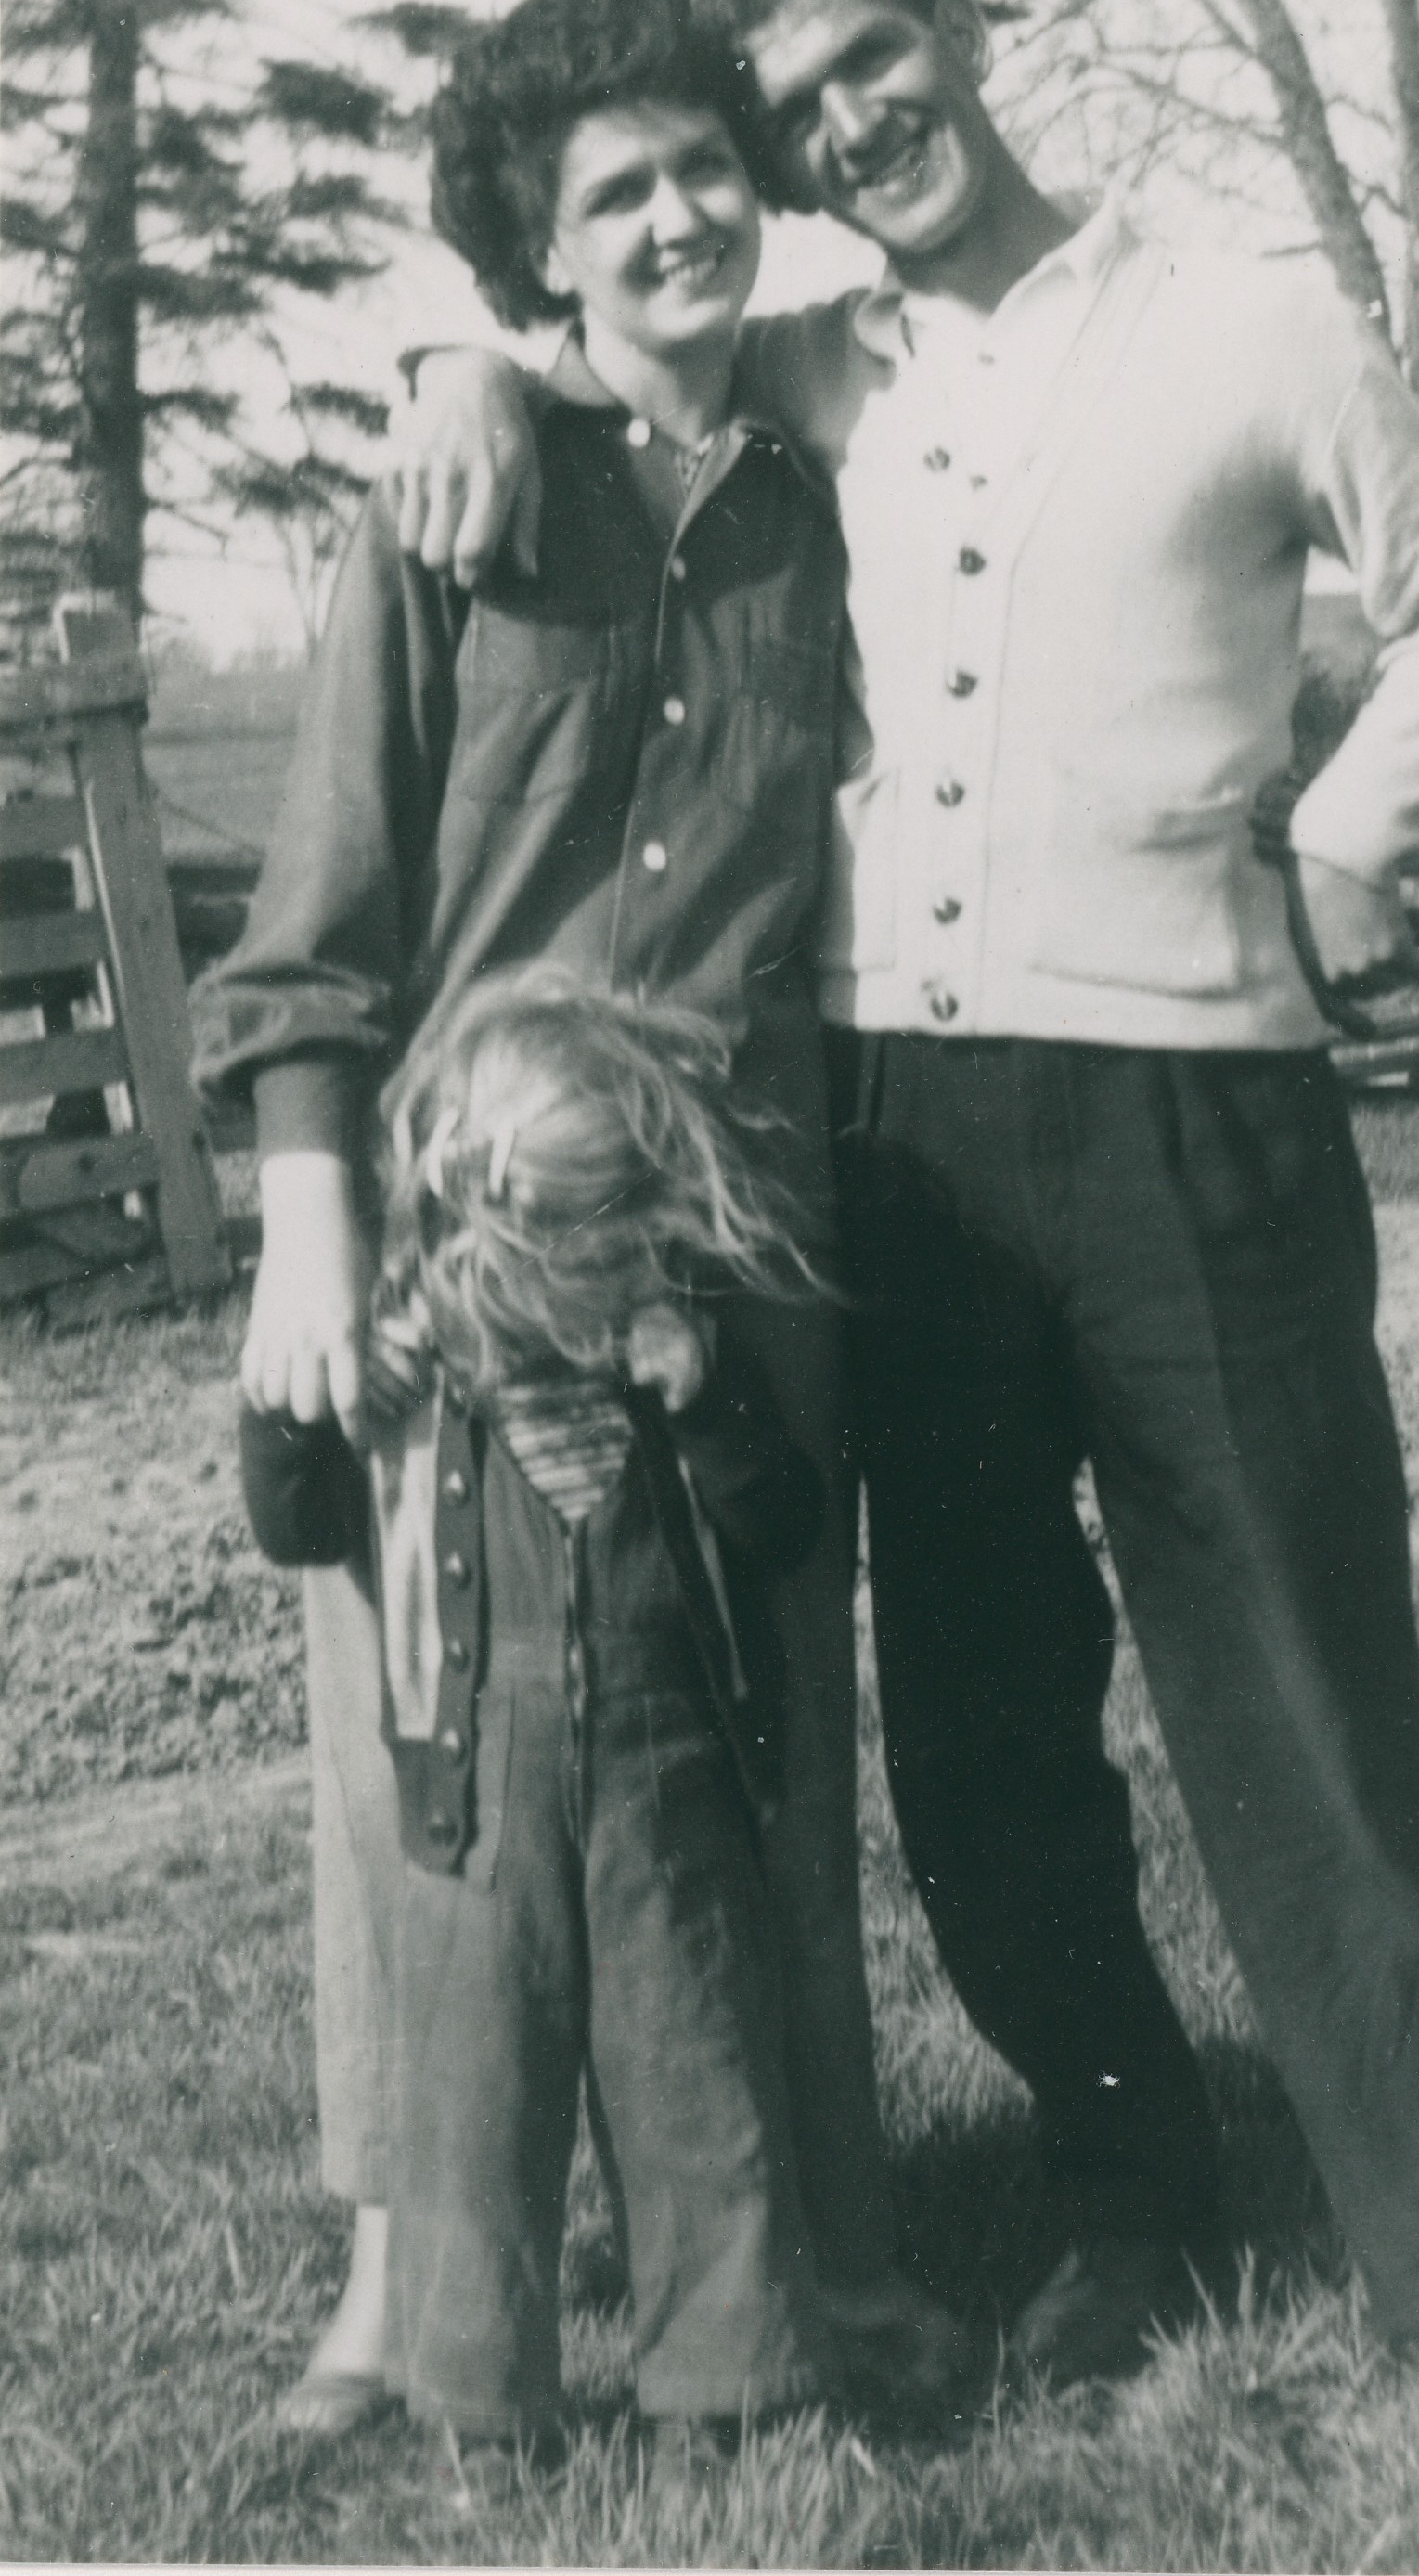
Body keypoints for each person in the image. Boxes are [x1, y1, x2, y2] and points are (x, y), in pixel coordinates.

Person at [391, 0, 1419, 2460]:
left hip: (1194, 1112)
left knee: (1299, 1693)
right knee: (983, 1728)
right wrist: (457, 361)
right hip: (895, 1139)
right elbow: (586, 344)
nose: (847, 125)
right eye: (792, 110)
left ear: (953, 26)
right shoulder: (798, 365)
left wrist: (1343, 840)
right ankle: (1133, 2192)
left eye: (873, 55)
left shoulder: (1244, 323)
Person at [194, 0, 956, 2436]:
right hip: (461, 1250)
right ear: (534, 251)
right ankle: (392, 2295)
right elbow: (316, 923)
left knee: (760, 1749)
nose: (675, 219)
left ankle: (816, 2262)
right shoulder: (452, 504)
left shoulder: (821, 498)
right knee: (427, 1766)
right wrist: (312, 1226)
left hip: (737, 1244)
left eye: (702, 168)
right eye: (612, 194)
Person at [240, 967, 832, 2455]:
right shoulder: (410, 1355)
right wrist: (296, 1404)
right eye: (582, 1249)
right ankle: (480, 2409)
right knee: (472, 2107)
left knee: (698, 2079)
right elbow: (301, 1527)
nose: (604, 1283)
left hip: (668, 1781)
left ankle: (723, 2390)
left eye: (627, 1244)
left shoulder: (670, 1336)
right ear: (486, 1220)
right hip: (473, 1795)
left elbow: (786, 1523)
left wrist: (706, 1400)